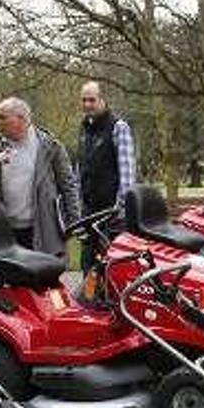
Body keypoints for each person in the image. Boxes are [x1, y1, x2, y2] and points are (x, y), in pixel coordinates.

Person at [0, 97, 81, 259]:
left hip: (44, 230)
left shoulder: (50, 146)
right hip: (8, 231)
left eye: (2, 117)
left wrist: (74, 222)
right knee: (13, 281)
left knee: (44, 280)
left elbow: (68, 185)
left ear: (22, 118)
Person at [77, 81, 136, 272]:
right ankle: (88, 303)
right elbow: (81, 170)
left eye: (91, 100)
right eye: (84, 100)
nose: (87, 104)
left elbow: (127, 174)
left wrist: (119, 210)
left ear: (102, 100)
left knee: (111, 269)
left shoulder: (118, 127)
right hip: (89, 213)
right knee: (88, 265)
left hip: (112, 214)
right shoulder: (85, 129)